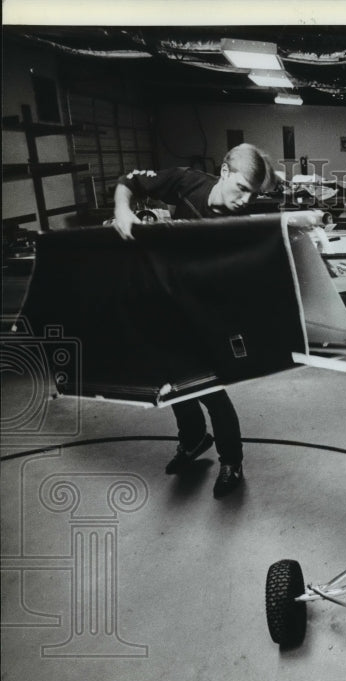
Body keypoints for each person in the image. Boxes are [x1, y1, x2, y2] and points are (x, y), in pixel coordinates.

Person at [112, 143, 275, 498]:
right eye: (242, 189)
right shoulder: (187, 182)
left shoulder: (237, 224)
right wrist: (123, 212)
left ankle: (232, 460)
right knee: (171, 377)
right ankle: (194, 439)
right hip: (167, 298)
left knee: (209, 387)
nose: (246, 200)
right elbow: (128, 180)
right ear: (225, 173)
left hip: (205, 306)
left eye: (253, 194)